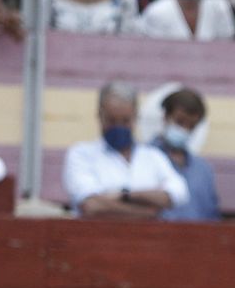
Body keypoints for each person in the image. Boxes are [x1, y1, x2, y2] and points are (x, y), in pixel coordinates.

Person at [64, 82, 188, 218]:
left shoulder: (154, 156)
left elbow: (177, 194)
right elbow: (92, 206)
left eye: (125, 121)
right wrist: (148, 211)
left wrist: (124, 195)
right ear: (99, 116)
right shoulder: (81, 155)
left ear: (136, 117)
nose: (119, 126)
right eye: (112, 120)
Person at [152, 87, 221, 223]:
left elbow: (212, 217)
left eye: (191, 125)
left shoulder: (203, 170)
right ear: (165, 117)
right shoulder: (143, 159)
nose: (184, 129)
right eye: (180, 122)